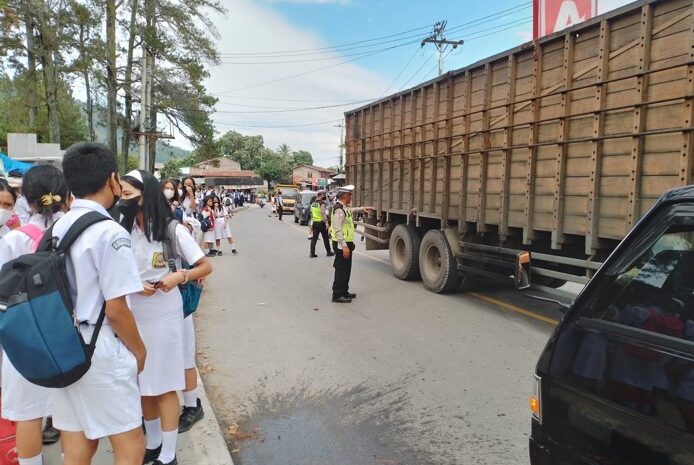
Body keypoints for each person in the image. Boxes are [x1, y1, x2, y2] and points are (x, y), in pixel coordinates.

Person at [50, 142, 148, 465]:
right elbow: (117, 309)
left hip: (63, 346)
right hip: (99, 347)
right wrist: (139, 351)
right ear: (112, 179)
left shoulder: (57, 227)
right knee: (131, 444)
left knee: (77, 446)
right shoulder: (109, 232)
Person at [118, 169, 212, 465]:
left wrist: (178, 277)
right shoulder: (124, 230)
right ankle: (154, 442)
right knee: (143, 382)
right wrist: (135, 285)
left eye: (128, 195)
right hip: (136, 313)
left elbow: (204, 266)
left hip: (164, 314)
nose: (123, 200)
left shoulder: (173, 230)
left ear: (145, 196)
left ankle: (169, 453)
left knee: (164, 383)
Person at [0, 165, 69, 465]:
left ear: (25, 200)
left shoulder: (14, 240)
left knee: (29, 414)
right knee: (70, 414)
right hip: (68, 333)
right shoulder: (77, 232)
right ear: (66, 195)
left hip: (24, 336)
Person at [330, 185, 374, 303]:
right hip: (341, 244)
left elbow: (351, 211)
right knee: (341, 269)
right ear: (345, 196)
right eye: (350, 195)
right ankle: (337, 295)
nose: (351, 197)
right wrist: (344, 246)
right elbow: (337, 229)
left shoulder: (344, 207)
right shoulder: (339, 209)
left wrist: (362, 208)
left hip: (346, 243)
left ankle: (344, 291)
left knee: (346, 269)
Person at [310, 191, 334, 258]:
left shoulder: (313, 204)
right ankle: (328, 252)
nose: (324, 197)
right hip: (321, 223)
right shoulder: (322, 204)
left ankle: (312, 253)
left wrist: (312, 224)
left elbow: (311, 214)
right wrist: (326, 223)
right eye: (323, 195)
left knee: (314, 239)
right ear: (320, 195)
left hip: (315, 223)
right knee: (325, 238)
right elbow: (323, 214)